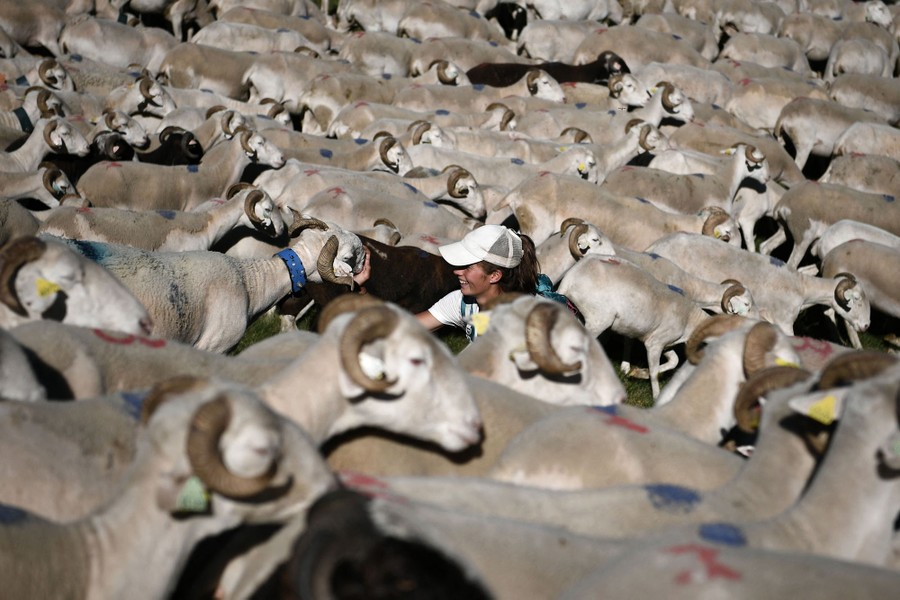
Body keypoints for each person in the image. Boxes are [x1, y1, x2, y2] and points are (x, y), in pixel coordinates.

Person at [414, 225, 540, 342]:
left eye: (467, 267)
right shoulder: (463, 302)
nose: (457, 271)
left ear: (494, 276)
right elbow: (408, 326)